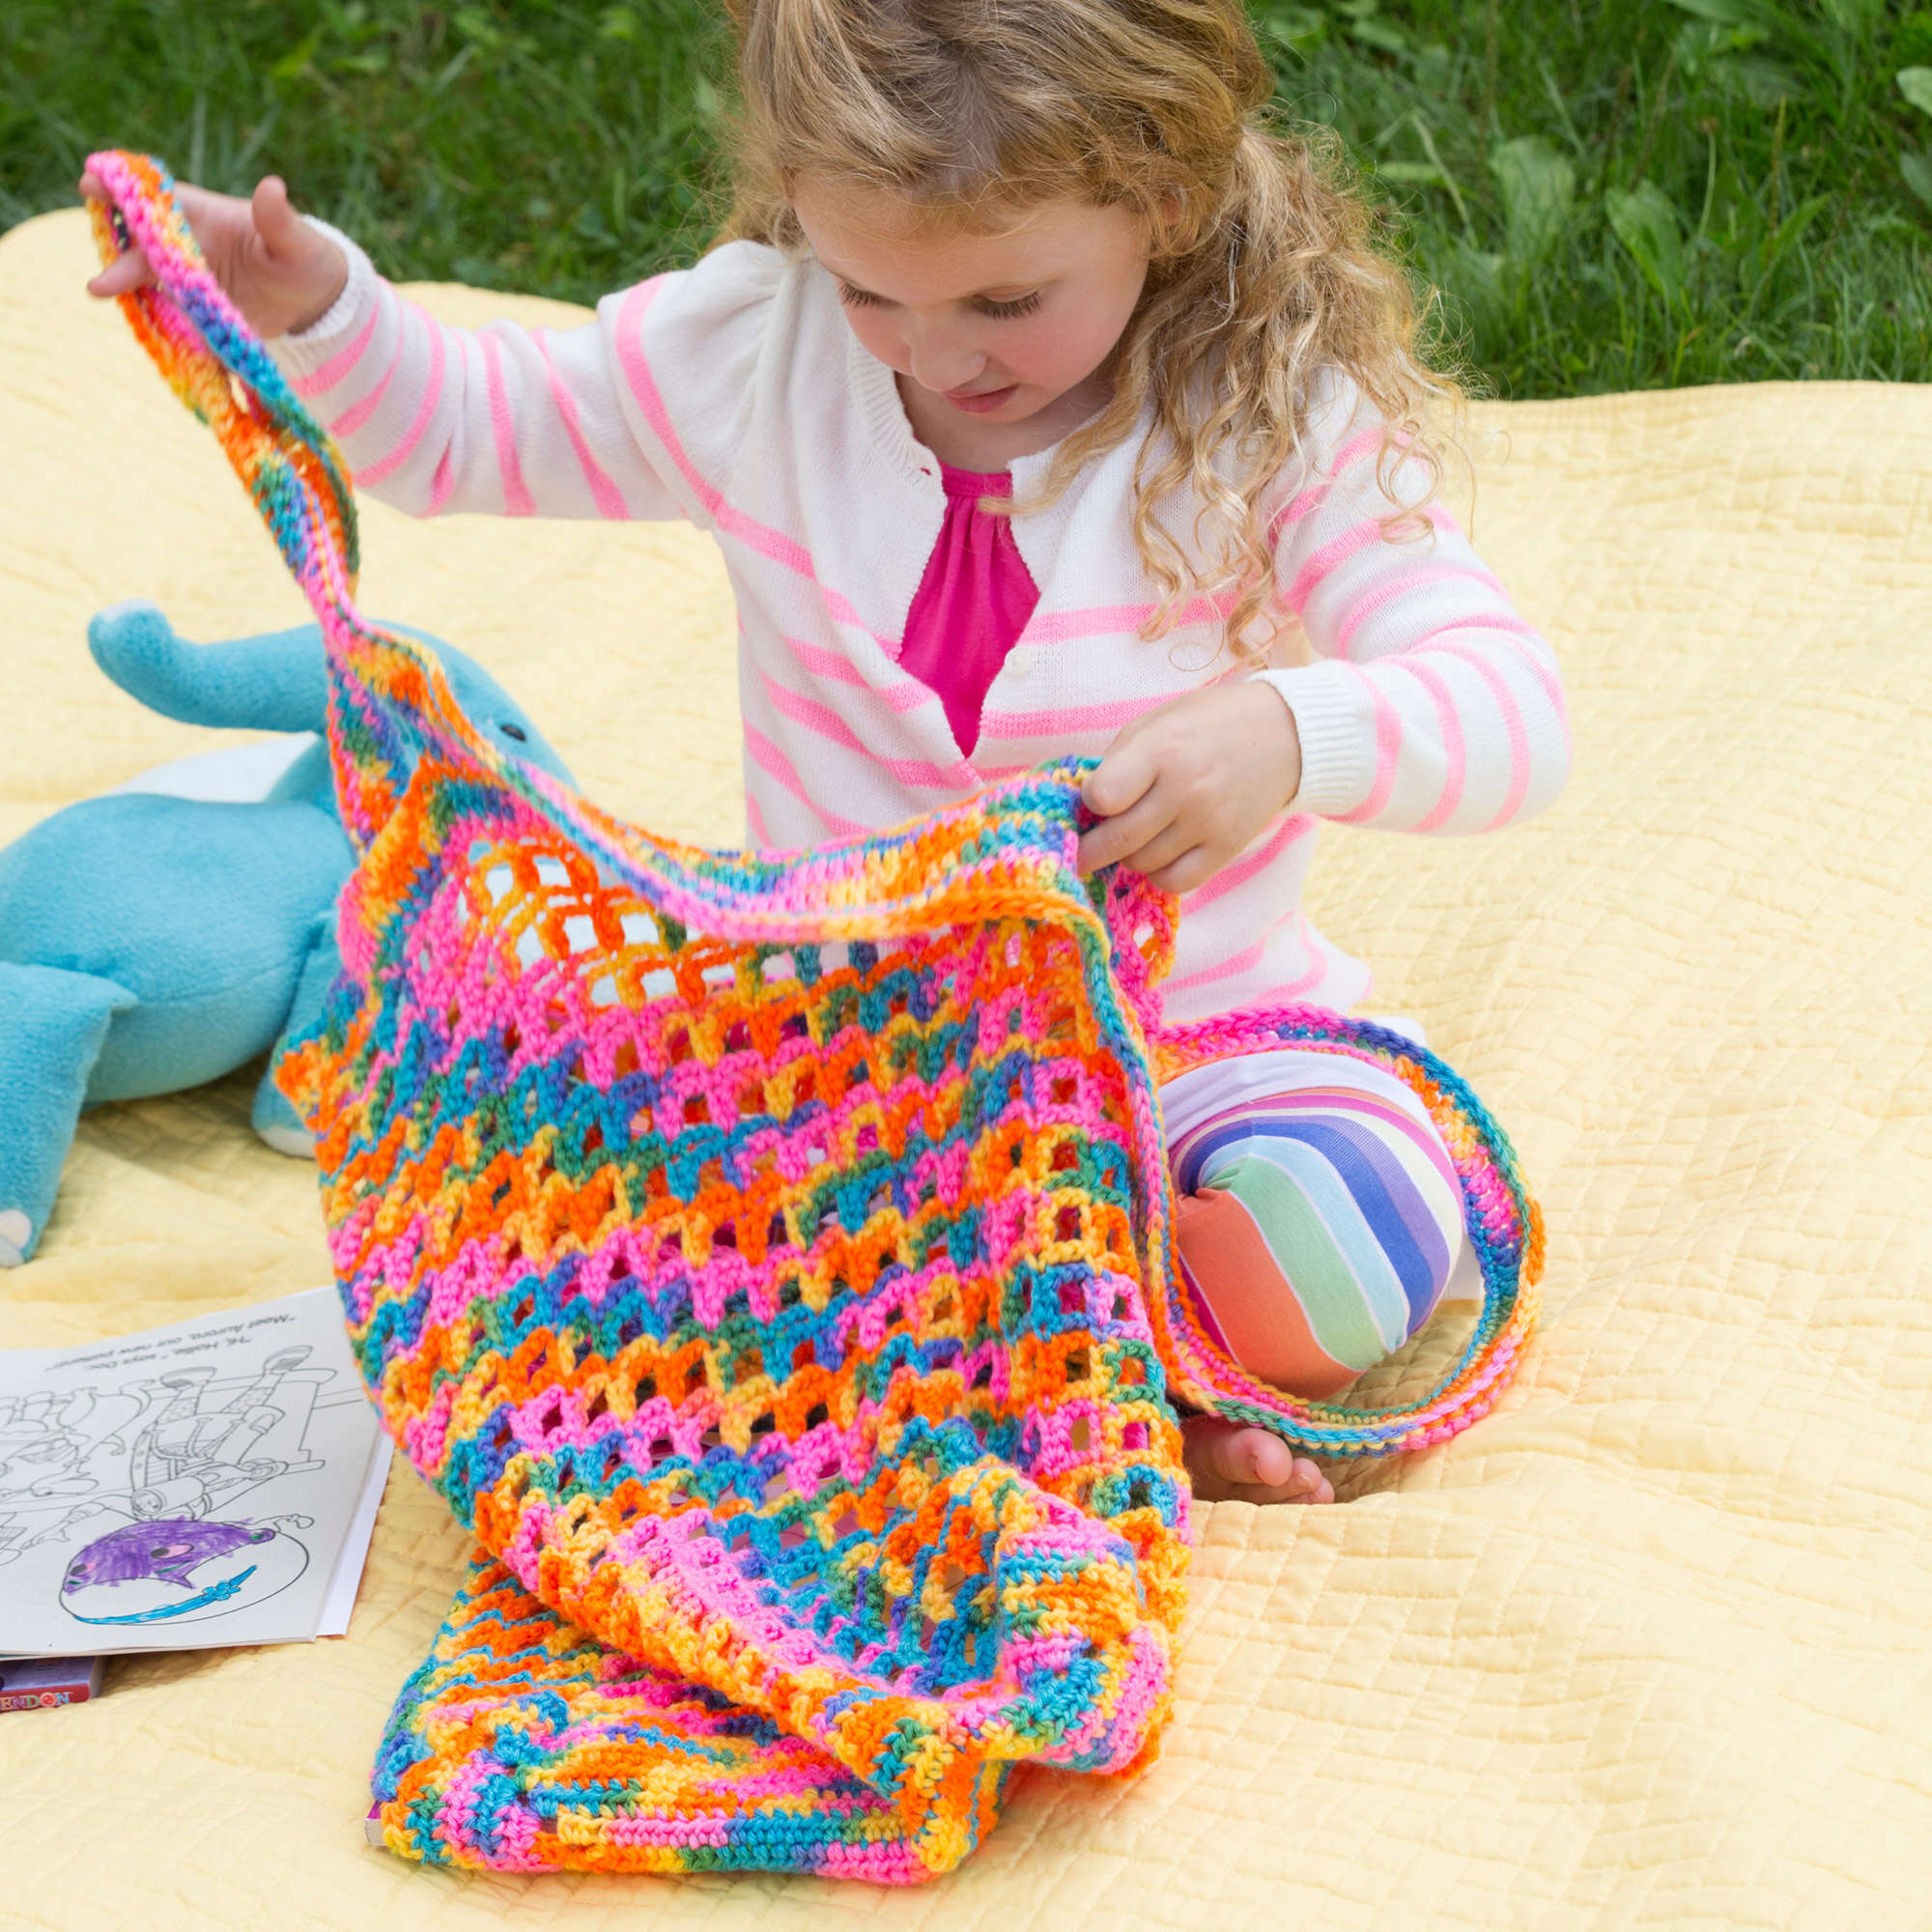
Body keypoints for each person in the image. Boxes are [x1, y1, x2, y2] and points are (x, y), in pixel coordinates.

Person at [84, 0, 1567, 1507]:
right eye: (871, 291)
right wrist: (319, 309)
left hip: (1195, 1055)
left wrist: (1290, 733)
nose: (936, 352)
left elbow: (1512, 707)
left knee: (1363, 1215)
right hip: (847, 1084)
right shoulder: (760, 353)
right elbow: (470, 427)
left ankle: (1034, 1355)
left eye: (1005, 299)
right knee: (545, 1205)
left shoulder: (1274, 423)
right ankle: (1099, 1375)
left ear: (1164, 202)